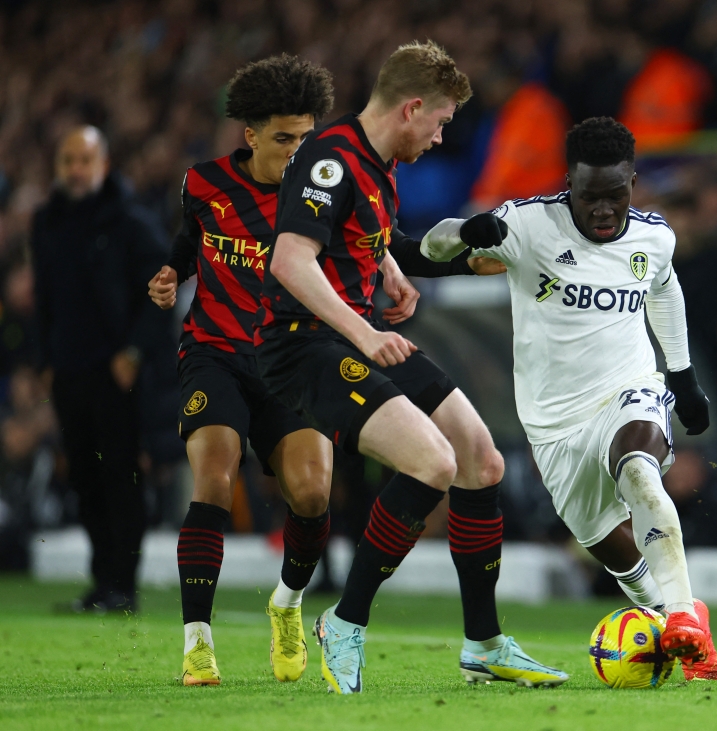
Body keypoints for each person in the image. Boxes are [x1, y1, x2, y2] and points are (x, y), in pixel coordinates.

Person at [147, 55, 491, 687]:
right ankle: (198, 638)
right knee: (215, 476)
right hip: (221, 349)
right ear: (250, 136)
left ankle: (291, 603)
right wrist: (175, 271)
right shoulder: (208, 184)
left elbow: (359, 235)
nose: (297, 150)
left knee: (311, 493)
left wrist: (390, 263)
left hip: (301, 352)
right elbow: (194, 235)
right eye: (284, 138)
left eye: (304, 136)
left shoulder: (328, 182)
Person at [255, 41, 567, 694]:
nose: (442, 134)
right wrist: (365, 329)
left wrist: (442, 264)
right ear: (412, 107)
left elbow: (375, 243)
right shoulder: (331, 161)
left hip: (351, 340)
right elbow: (290, 261)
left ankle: (483, 643)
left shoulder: (377, 168)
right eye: (443, 120)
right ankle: (344, 619)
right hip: (305, 345)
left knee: (481, 457)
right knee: (432, 462)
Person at [422, 116, 717, 680]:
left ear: (633, 182)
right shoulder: (528, 223)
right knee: (602, 541)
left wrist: (683, 381)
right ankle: (663, 614)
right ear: (570, 184)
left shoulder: (654, 236)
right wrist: (468, 231)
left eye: (616, 196)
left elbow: (665, 291)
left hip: (627, 389)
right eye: (591, 198)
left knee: (638, 470)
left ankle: (685, 615)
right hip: (552, 421)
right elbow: (433, 249)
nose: (604, 210)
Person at [32, 126, 170, 613]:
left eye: (84, 160)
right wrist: (45, 359)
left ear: (103, 165)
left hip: (118, 374)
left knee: (121, 476)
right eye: (68, 160)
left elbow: (161, 295)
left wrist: (133, 352)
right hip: (70, 372)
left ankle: (122, 584)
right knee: (85, 480)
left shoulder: (132, 223)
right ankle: (102, 580)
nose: (75, 169)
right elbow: (44, 300)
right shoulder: (47, 222)